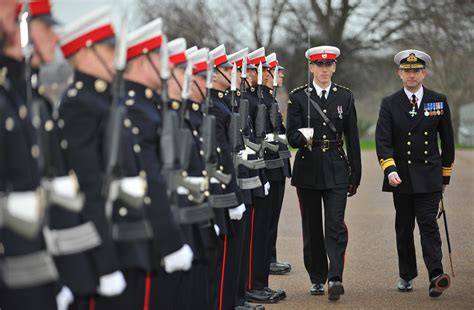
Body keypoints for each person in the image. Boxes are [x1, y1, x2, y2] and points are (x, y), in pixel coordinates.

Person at [375, 49, 454, 297]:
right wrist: (389, 169)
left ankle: (435, 275)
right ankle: (406, 274)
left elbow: (448, 141)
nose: (412, 75)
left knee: (429, 224)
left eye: (416, 71)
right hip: (402, 177)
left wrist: (445, 176)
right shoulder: (389, 103)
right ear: (400, 74)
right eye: (407, 71)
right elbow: (383, 140)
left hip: (430, 175)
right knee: (404, 226)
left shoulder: (438, 100)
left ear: (424, 73)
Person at [286, 45, 361, 301]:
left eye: (328, 65)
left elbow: (352, 137)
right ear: (311, 68)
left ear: (334, 67)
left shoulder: (345, 97)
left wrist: (356, 172)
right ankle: (317, 277)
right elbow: (291, 136)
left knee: (335, 224)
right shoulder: (298, 97)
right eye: (319, 65)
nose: (324, 70)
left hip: (337, 167)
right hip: (308, 168)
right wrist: (303, 136)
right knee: (312, 227)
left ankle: (335, 277)